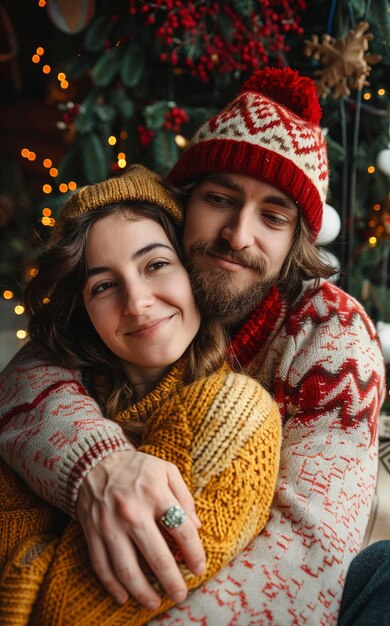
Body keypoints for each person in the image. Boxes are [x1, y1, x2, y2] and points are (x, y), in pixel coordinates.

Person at [0, 66, 386, 624]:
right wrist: (96, 464)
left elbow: (309, 553)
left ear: (297, 240)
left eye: (272, 217)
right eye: (220, 198)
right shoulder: (154, 294)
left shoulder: (331, 335)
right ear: (183, 207)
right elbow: (25, 379)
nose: (238, 234)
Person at [0, 164, 281, 624]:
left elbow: (64, 611)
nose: (137, 303)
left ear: (193, 271)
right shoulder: (38, 407)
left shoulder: (235, 410)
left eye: (156, 264)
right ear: (84, 310)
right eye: (105, 285)